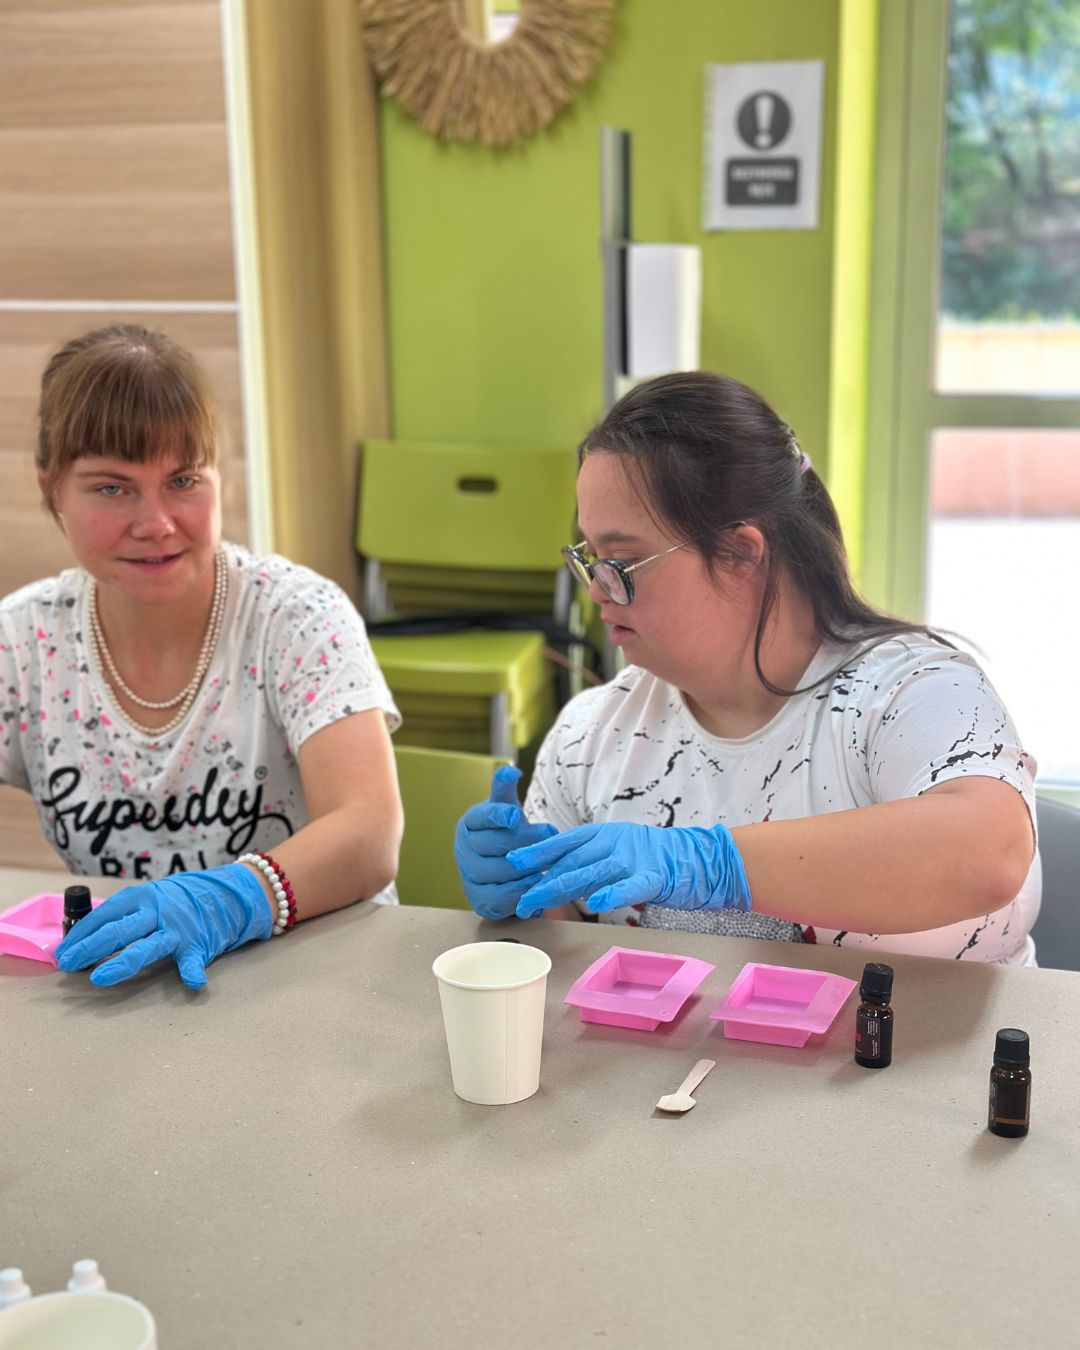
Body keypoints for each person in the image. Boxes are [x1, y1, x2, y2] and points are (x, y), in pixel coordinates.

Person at [454, 371, 1041, 964]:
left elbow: (989, 856)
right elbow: (571, 955)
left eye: (622, 563)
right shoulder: (592, 735)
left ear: (740, 553)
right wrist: (524, 891)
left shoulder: (915, 692)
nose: (597, 592)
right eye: (591, 559)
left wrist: (712, 864)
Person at [1, 325, 402, 988]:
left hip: (316, 982)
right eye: (112, 488)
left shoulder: (297, 616)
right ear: (52, 490)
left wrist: (232, 899)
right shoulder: (22, 641)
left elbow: (369, 832)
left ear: (221, 479)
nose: (155, 523)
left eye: (183, 480)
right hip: (126, 992)